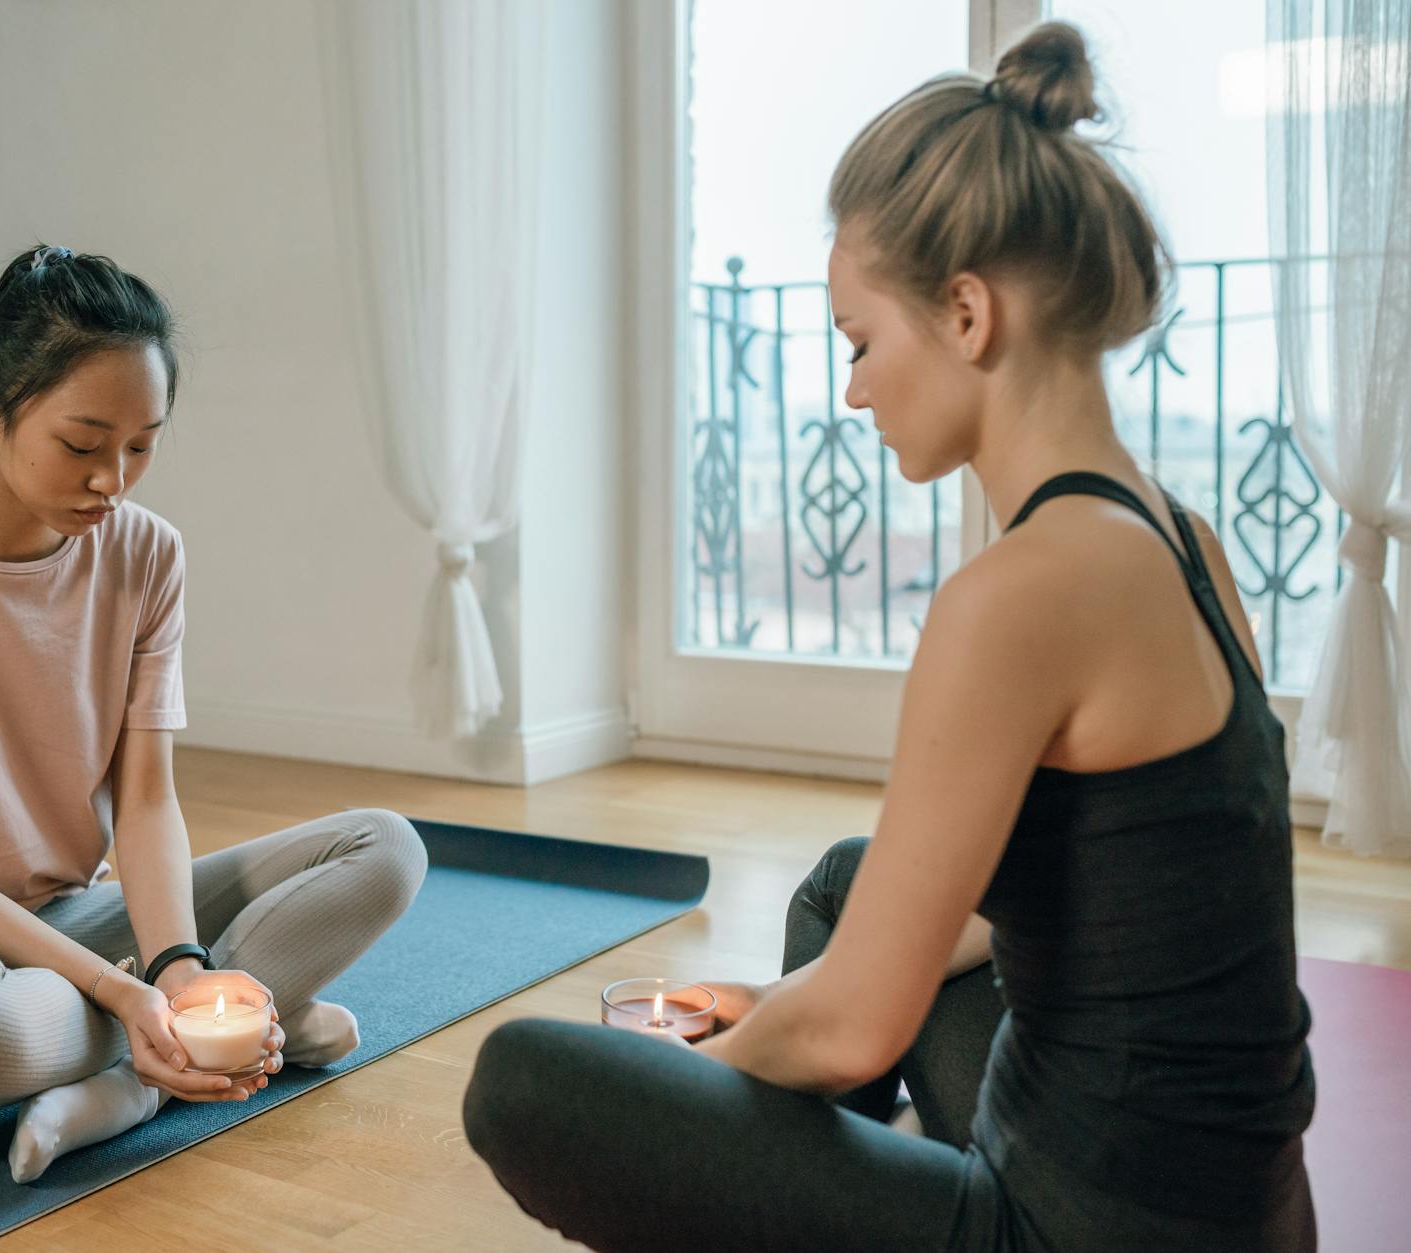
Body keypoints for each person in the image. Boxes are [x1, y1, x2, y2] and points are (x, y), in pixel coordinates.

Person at [463, 24, 1315, 1251]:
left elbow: (856, 1028)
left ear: (965, 313)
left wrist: (711, 1077)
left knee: (524, 1079)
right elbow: (1103, 899)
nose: (851, 389)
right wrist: (761, 1006)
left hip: (1075, 1226)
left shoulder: (1016, 592)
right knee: (854, 882)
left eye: (858, 341)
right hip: (1236, 1211)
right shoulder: (1181, 540)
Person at [0, 244, 426, 1183]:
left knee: (386, 846)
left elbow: (147, 800)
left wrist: (169, 961)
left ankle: (139, 1083)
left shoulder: (146, 554)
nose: (113, 479)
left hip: (76, 917)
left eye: (142, 443)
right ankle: (232, 1030)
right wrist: (121, 986)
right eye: (83, 444)